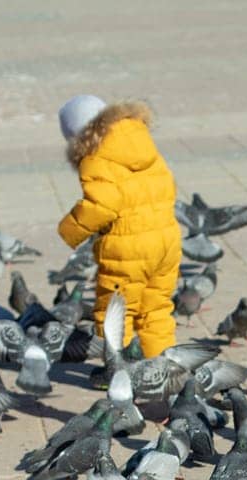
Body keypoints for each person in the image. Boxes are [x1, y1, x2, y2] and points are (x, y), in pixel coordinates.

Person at [56, 95, 179, 358]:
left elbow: (103, 204)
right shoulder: (140, 139)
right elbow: (167, 185)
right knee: (155, 310)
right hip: (167, 240)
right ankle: (163, 369)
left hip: (128, 248)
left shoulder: (96, 155)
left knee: (115, 313)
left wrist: (69, 229)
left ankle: (119, 372)